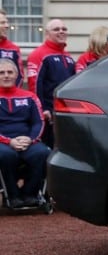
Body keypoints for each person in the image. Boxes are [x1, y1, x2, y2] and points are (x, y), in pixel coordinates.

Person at [0, 58, 50, 209]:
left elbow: (39, 122)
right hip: (3, 143)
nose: (6, 75)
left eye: (10, 72)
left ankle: (30, 194)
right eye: (1, 73)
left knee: (42, 153)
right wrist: (9, 142)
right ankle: (12, 196)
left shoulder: (29, 97)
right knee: (6, 155)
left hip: (28, 141)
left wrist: (30, 139)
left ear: (17, 75)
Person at [26, 19, 75, 149]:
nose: (61, 32)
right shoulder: (39, 54)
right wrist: (41, 109)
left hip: (65, 111)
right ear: (47, 34)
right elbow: (35, 84)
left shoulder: (68, 56)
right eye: (56, 29)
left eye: (64, 29)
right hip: (47, 114)